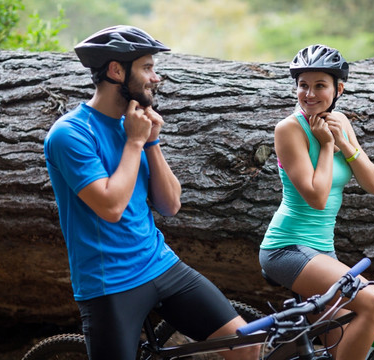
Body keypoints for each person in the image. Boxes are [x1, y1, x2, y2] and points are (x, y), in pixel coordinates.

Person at [44, 25, 259, 360]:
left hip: (159, 264)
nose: (155, 78)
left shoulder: (135, 125)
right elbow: (111, 207)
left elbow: (170, 204)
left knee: (246, 345)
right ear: (116, 70)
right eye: (147, 67)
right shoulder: (70, 134)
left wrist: (152, 142)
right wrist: (134, 142)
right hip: (109, 283)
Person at [259, 44, 374, 360]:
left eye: (320, 85)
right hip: (286, 248)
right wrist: (328, 146)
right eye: (303, 85)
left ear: (338, 88)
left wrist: (344, 142)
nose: (310, 94)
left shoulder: (340, 121)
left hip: (322, 250)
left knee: (346, 340)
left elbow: (373, 185)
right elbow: (316, 198)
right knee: (373, 302)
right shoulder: (289, 129)